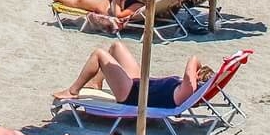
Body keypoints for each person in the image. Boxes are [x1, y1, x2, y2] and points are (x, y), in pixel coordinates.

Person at [51, 43, 207, 107]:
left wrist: (196, 66)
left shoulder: (189, 89)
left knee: (99, 54)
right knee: (116, 47)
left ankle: (73, 91)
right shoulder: (189, 87)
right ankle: (96, 82)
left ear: (198, 78)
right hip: (138, 84)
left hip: (132, 94)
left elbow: (192, 64)